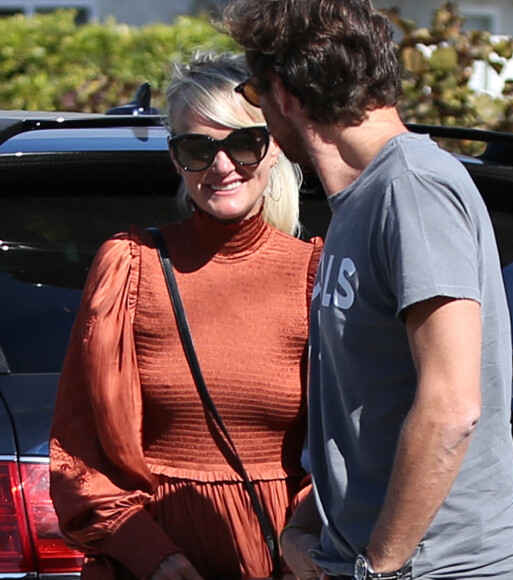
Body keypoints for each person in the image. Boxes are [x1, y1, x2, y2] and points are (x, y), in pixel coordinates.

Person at [223, 1, 513, 579]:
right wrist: (309, 529)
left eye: (254, 93)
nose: (262, 113)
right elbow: (370, 413)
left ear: (285, 93)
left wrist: (378, 569)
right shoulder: (361, 202)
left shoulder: (411, 188)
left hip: (441, 569)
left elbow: (452, 406)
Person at [49, 50, 322, 580]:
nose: (223, 166)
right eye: (198, 147)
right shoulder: (131, 265)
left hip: (281, 563)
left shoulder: (315, 273)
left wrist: (303, 549)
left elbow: (346, 455)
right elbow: (77, 453)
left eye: (244, 144)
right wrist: (155, 558)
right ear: (176, 158)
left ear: (273, 151)